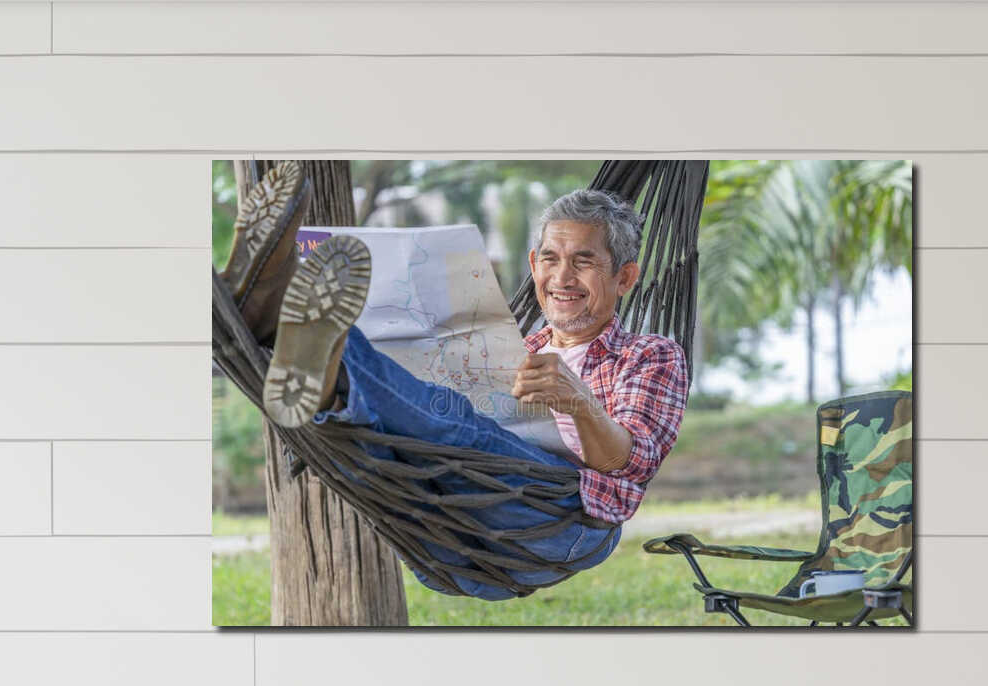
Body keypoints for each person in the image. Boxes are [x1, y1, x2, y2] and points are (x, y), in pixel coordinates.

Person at [222, 164, 689, 599]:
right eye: (550, 258)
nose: (561, 276)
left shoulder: (650, 356)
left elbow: (633, 464)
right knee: (373, 443)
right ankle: (318, 380)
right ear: (533, 264)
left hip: (559, 525)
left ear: (625, 277)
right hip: (447, 527)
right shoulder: (511, 347)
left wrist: (579, 402)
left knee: (455, 421)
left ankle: (288, 333)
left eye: (583, 262)